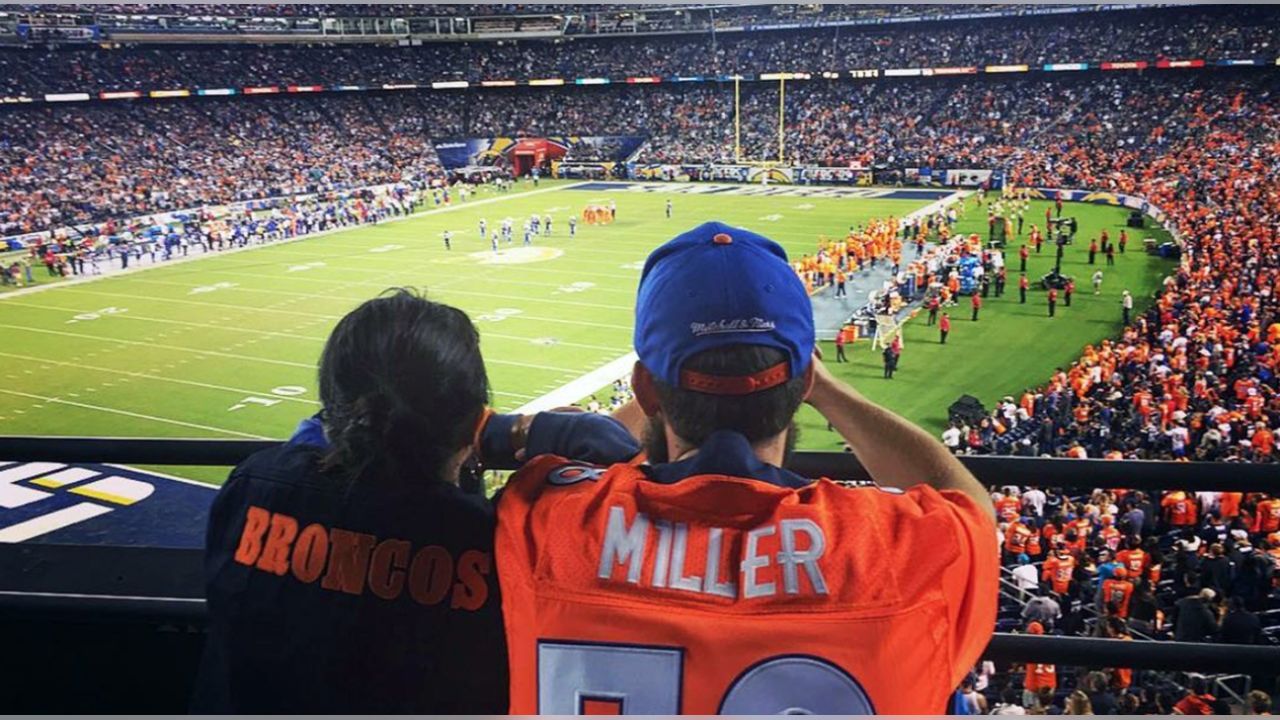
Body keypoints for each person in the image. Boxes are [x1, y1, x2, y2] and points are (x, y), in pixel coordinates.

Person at [494, 222, 998, 714]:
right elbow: (969, 503)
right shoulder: (898, 553)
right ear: (801, 383)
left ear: (645, 390)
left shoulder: (547, 521)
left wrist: (661, 393)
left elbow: (585, 443)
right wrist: (826, 387)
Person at [196, 290, 637, 713]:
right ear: (470, 427)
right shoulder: (497, 545)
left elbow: (317, 450)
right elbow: (614, 452)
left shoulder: (256, 483)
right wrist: (517, 433)